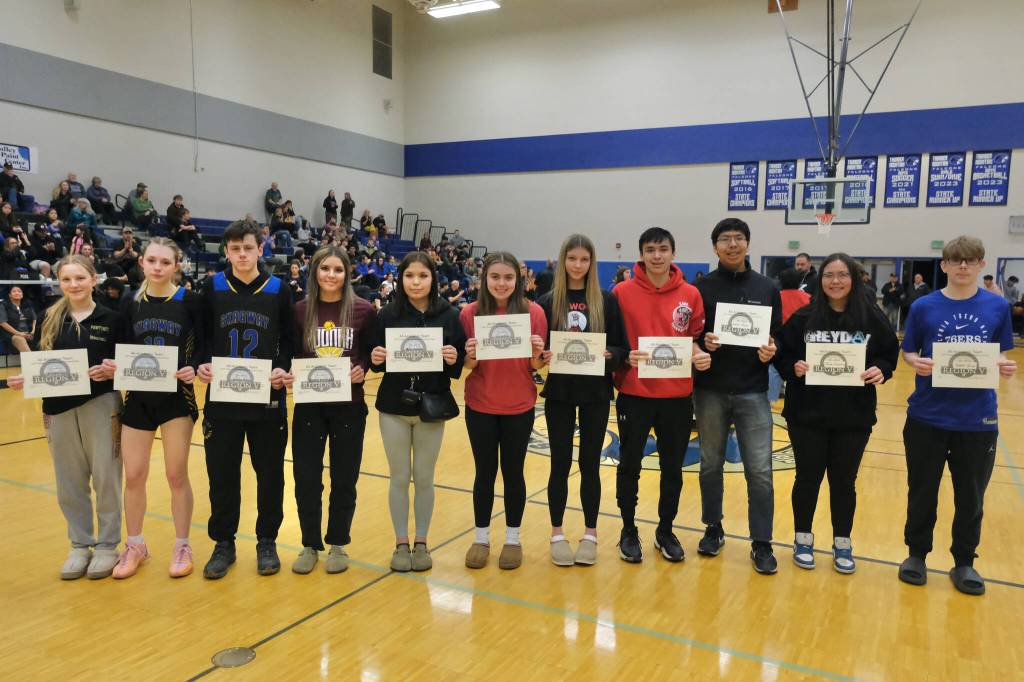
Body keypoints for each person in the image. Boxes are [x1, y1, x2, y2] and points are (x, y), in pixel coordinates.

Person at [897, 236, 1017, 596]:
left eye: (971, 260)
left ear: (982, 265)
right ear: (944, 266)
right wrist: (916, 363)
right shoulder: (924, 307)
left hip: (977, 419)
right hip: (927, 415)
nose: (963, 266)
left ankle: (964, 560)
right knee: (922, 491)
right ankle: (916, 554)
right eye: (955, 260)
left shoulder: (997, 307)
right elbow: (909, 352)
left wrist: (1004, 366)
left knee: (971, 496)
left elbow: (998, 354)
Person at [774, 253, 899, 574]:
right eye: (829, 275)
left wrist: (881, 370)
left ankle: (842, 541)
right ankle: (803, 538)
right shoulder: (804, 317)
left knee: (844, 482)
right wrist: (793, 367)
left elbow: (889, 355)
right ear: (821, 280)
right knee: (807, 479)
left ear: (853, 279)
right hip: (807, 415)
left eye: (842, 275)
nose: (836, 281)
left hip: (853, 417)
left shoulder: (871, 316)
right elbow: (782, 355)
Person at [6, 255, 124, 579]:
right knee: (69, 482)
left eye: (80, 278)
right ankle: (79, 544)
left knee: (106, 478)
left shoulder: (112, 318)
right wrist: (26, 378)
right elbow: (44, 364)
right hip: (57, 408)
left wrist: (114, 370)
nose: (74, 285)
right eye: (67, 279)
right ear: (59, 282)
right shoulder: (48, 316)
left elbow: (126, 365)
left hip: (101, 403)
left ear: (93, 280)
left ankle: (107, 545)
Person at [196, 220, 295, 579]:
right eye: (235, 249)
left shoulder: (279, 289)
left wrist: (283, 369)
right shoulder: (212, 287)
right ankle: (223, 542)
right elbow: (202, 338)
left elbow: (290, 339)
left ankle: (266, 540)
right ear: (226, 251)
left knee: (270, 475)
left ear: (260, 249)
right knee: (221, 474)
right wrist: (200, 364)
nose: (241, 255)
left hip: (267, 398)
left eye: (248, 248)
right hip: (222, 400)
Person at [613, 227, 710, 563]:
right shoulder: (621, 292)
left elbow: (694, 337)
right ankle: (628, 529)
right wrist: (625, 355)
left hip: (676, 395)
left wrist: (698, 354)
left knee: (673, 467)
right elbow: (614, 342)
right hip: (634, 392)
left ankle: (665, 529)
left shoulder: (690, 294)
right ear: (641, 253)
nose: (657, 255)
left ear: (673, 252)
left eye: (663, 249)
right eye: (650, 249)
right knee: (629, 464)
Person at [108, 238, 204, 579]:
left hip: (178, 397)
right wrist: (113, 364)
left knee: (176, 474)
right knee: (133, 475)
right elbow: (118, 346)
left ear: (176, 265)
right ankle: (135, 544)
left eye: (166, 261)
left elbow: (202, 345)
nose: (158, 267)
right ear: (142, 263)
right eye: (152, 260)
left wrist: (194, 365)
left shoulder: (190, 301)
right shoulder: (130, 304)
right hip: (138, 398)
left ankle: (182, 544)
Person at [694, 218, 782, 574]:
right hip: (710, 390)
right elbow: (690, 336)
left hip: (752, 391)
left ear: (747, 243)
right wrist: (703, 344)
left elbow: (777, 337)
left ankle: (762, 541)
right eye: (725, 239)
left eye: (739, 238)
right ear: (714, 246)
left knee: (760, 471)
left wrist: (771, 350)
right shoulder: (699, 288)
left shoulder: (767, 287)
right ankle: (713, 528)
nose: (732, 244)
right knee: (710, 465)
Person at [370, 251, 466, 572]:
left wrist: (454, 358)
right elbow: (373, 360)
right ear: (400, 279)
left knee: (424, 478)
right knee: (399, 477)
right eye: (409, 276)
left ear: (432, 279)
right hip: (393, 407)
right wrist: (376, 356)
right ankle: (400, 543)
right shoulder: (385, 316)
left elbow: (458, 364)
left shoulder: (449, 315)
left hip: (432, 406)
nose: (415, 282)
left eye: (422, 276)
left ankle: (422, 542)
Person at [538, 235, 627, 566]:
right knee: (559, 464)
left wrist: (611, 354)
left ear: (592, 263)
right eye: (572, 259)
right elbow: (538, 349)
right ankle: (557, 533)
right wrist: (542, 354)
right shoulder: (548, 301)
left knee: (590, 465)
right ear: (563, 261)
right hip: (559, 393)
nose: (578, 265)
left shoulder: (606, 300)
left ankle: (590, 534)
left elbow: (622, 348)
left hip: (596, 394)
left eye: (584, 259)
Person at [286, 246, 375, 575]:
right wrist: (289, 371)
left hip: (349, 407)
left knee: (344, 477)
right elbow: (290, 353)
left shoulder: (364, 310)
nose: (331, 275)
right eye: (325, 269)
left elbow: (372, 353)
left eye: (338, 269)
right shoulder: (299, 311)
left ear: (347, 274)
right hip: (309, 405)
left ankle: (339, 543)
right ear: (315, 272)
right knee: (306, 477)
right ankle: (309, 544)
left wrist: (363, 367)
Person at [460, 252, 547, 570]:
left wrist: (538, 354)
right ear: (485, 279)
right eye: (495, 277)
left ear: (518, 280)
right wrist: (469, 356)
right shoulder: (470, 313)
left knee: (513, 472)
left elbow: (535, 366)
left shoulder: (534, 312)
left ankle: (513, 538)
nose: (501, 283)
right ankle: (481, 537)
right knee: (484, 473)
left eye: (508, 277)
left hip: (519, 404)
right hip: (481, 404)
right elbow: (466, 366)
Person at [768, 267, 810, 401]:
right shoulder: (808, 297)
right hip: (801, 340)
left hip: (779, 338)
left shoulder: (776, 297)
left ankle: (771, 399)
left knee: (774, 369)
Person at [0, 285, 36, 352]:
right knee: (20, 339)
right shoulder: (3, 305)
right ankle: (31, 361)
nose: (17, 293)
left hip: (27, 333)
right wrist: (19, 333)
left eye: (19, 291)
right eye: (14, 291)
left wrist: (32, 332)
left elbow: (34, 319)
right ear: (10, 295)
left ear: (22, 294)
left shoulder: (27, 305)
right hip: (12, 334)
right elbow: (3, 323)